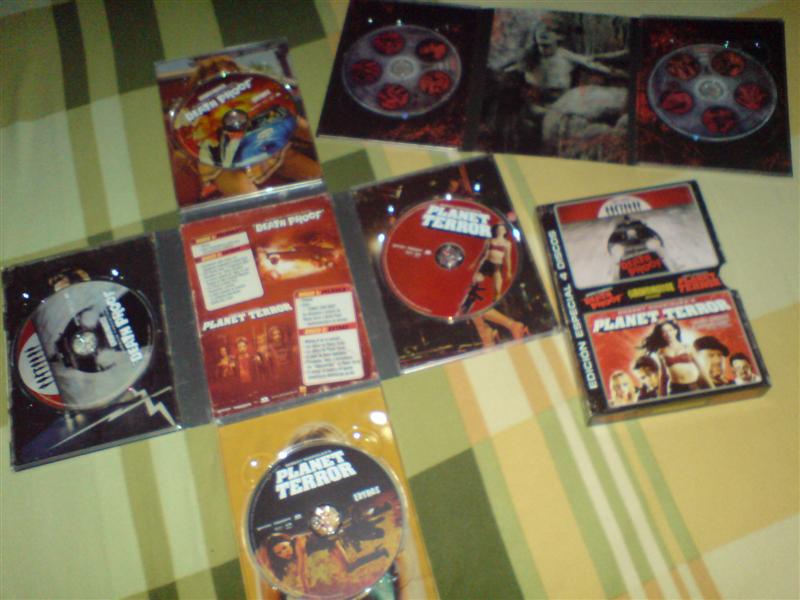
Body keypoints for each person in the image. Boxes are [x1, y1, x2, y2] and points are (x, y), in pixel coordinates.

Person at [641, 320, 709, 395]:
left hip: (693, 386)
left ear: (675, 331)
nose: (668, 333)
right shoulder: (661, 352)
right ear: (662, 335)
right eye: (664, 332)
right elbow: (663, 376)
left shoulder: (688, 347)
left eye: (670, 330)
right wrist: (661, 397)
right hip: (675, 388)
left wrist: (712, 387)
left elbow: (701, 370)